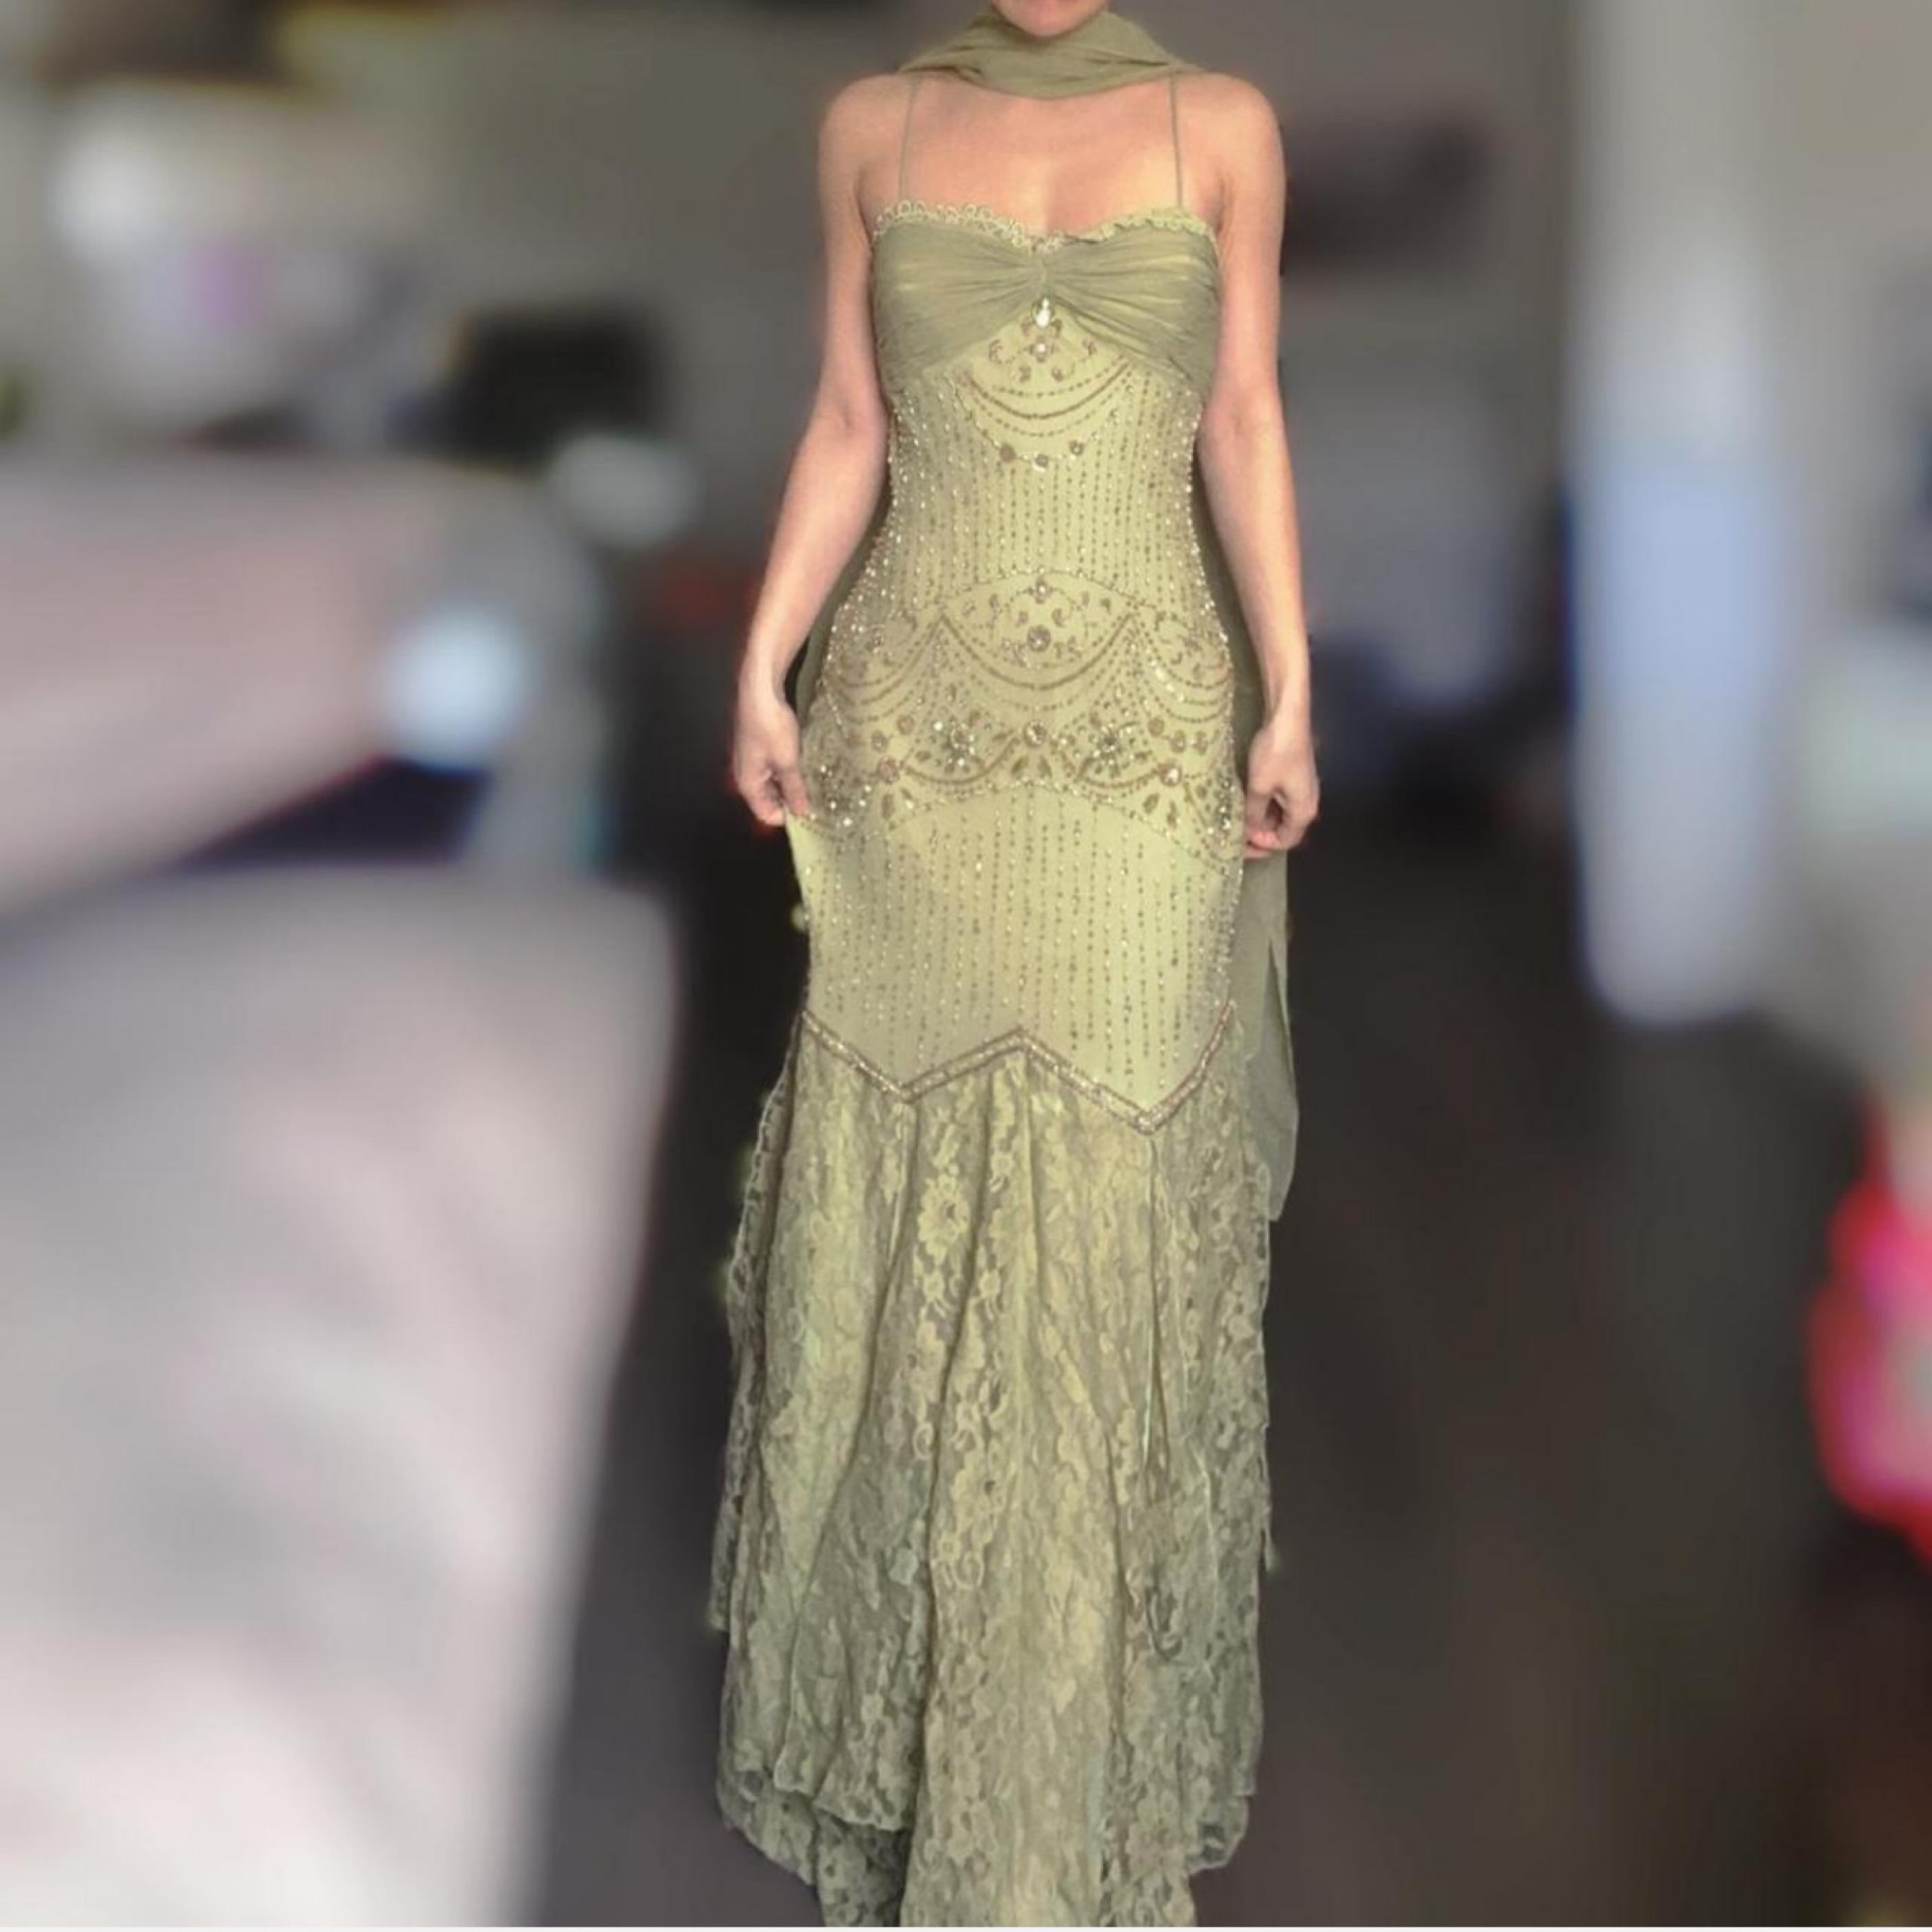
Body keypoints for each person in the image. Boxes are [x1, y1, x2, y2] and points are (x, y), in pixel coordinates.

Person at [709, 3, 1317, 1922]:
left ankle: (1060, 1790)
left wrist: (1293, 688)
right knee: (909, 1198)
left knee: (1113, 1209)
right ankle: (926, 1766)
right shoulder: (869, 123)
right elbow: (849, 422)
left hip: (1142, 740)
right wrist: (764, 661)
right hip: (916, 735)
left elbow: (1242, 416)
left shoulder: (1222, 123)